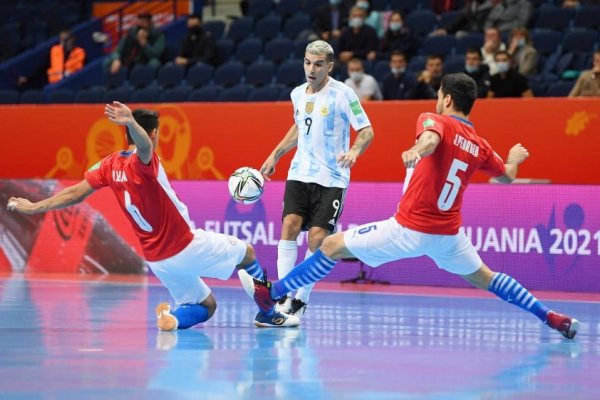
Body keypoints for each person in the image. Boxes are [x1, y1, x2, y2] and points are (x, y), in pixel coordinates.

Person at [240, 72, 579, 340]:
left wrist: (418, 150)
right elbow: (505, 177)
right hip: (448, 236)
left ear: (446, 98)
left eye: (438, 95)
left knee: (329, 245)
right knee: (488, 279)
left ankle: (274, 293)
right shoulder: (480, 144)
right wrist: (515, 159)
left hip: (409, 228)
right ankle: (548, 316)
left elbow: (431, 139)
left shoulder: (435, 120)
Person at [6, 103, 300, 329]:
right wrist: (133, 123)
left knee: (205, 305)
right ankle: (268, 312)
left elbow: (74, 194)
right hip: (184, 245)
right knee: (247, 254)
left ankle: (171, 320)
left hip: (158, 260)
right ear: (155, 133)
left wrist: (33, 208)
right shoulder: (143, 163)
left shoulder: (108, 165)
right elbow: (144, 146)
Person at [259, 40, 375, 324]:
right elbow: (299, 126)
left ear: (329, 67)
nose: (312, 69)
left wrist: (355, 151)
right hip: (300, 171)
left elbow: (367, 130)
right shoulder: (297, 94)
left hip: (332, 176)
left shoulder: (343, 94)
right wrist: (275, 154)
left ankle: (300, 299)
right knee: (289, 226)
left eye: (318, 64)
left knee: (317, 239)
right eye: (308, 62)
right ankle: (282, 295)